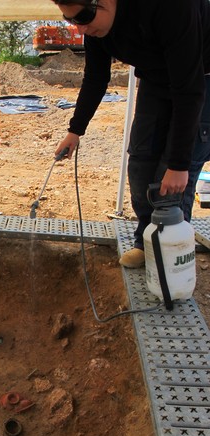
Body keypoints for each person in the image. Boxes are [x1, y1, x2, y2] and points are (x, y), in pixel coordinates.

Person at [52, 0, 210, 268]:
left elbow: (189, 90)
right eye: (72, 21)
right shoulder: (96, 29)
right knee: (140, 164)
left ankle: (170, 261)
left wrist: (179, 165)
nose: (82, 28)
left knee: (169, 181)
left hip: (201, 78)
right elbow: (95, 77)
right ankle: (146, 243)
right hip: (155, 79)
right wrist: (75, 130)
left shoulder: (170, 7)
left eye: (85, 17)